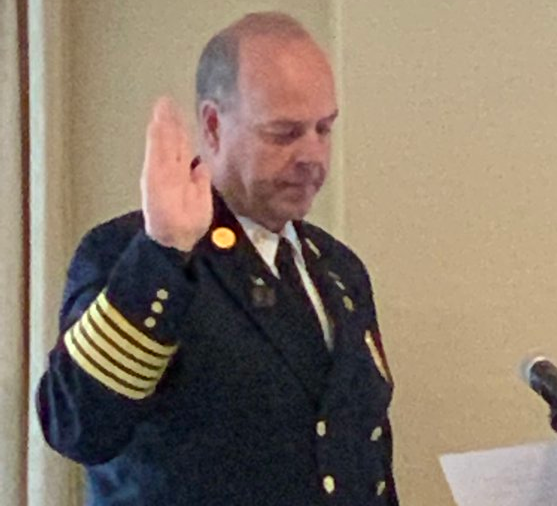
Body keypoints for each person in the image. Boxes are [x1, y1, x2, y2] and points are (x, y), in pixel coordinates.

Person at [36, 12, 398, 506]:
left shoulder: (338, 271)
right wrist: (163, 252)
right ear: (212, 124)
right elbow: (78, 428)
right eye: (284, 133)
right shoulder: (132, 255)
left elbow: (360, 459)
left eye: (324, 129)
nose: (313, 156)